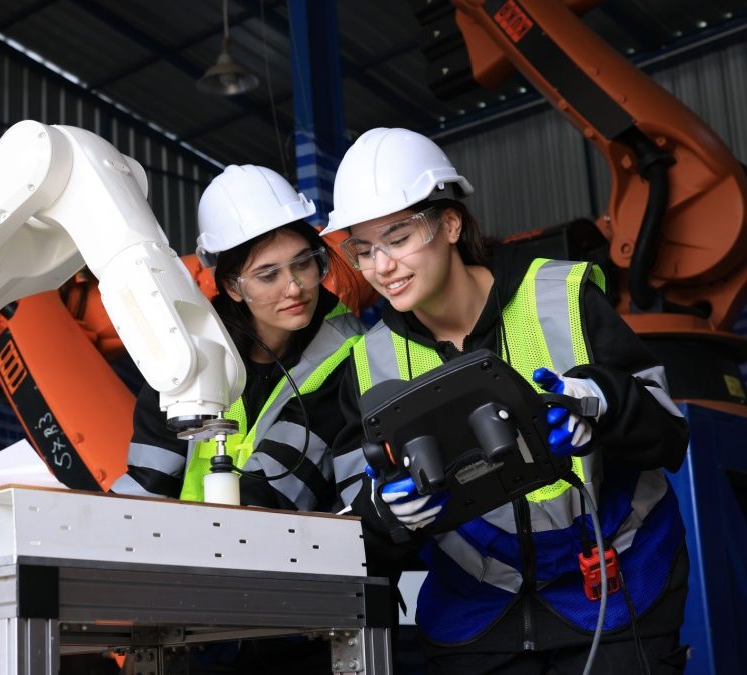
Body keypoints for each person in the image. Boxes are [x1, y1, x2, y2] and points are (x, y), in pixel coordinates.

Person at [250, 128, 691, 673]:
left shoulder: (561, 295)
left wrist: (601, 402)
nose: (382, 266)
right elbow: (361, 528)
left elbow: (670, 434)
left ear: (451, 225)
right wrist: (388, 515)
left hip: (617, 596)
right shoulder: (368, 364)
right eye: (363, 251)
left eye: (398, 238)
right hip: (476, 624)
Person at [111, 164, 364, 513]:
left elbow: (282, 485)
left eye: (303, 263)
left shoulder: (346, 352)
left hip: (278, 537)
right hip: (181, 539)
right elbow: (147, 480)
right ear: (233, 287)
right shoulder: (185, 351)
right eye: (268, 275)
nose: (294, 288)